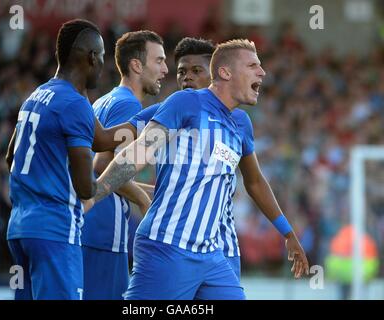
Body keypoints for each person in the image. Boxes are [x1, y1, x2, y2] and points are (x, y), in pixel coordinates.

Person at [92, 39, 309, 300]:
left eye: (196, 70)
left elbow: (255, 182)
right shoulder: (178, 106)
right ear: (225, 72)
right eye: (182, 71)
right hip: (169, 244)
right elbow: (130, 149)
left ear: (215, 72)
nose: (186, 78)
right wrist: (95, 194)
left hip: (217, 249)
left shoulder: (240, 123)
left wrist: (287, 232)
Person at [5, 19, 105, 300]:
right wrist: (111, 181)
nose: (103, 65)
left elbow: (10, 156)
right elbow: (86, 188)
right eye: (103, 57)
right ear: (91, 58)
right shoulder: (75, 103)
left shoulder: (37, 95)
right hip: (55, 230)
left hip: (20, 230)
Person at [81, 30, 168, 300]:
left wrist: (153, 192)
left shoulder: (105, 100)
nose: (165, 69)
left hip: (87, 227)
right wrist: (143, 200)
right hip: (103, 231)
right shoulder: (128, 105)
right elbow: (102, 166)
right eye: (159, 61)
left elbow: (104, 171)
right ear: (136, 65)